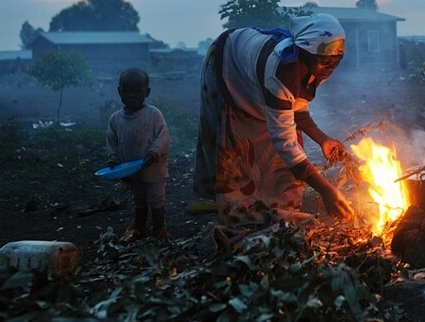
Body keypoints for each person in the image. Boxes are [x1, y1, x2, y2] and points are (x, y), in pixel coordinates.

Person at [193, 13, 355, 221]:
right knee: (240, 142)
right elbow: (285, 143)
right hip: (228, 62)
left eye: (336, 62)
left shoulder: (315, 68)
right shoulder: (281, 73)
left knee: (278, 148)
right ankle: (240, 211)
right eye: (325, 62)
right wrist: (326, 190)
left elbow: (296, 107)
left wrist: (323, 139)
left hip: (262, 78)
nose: (330, 69)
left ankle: (274, 205)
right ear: (305, 54)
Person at [106, 68, 171, 243]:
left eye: (138, 91)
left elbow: (163, 137)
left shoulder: (153, 114)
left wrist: (153, 153)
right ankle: (140, 230)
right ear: (119, 91)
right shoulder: (116, 119)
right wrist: (113, 158)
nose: (131, 95)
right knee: (139, 200)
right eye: (126, 91)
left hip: (153, 167)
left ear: (147, 92)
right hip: (130, 170)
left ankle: (159, 230)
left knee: (156, 198)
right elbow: (112, 141)